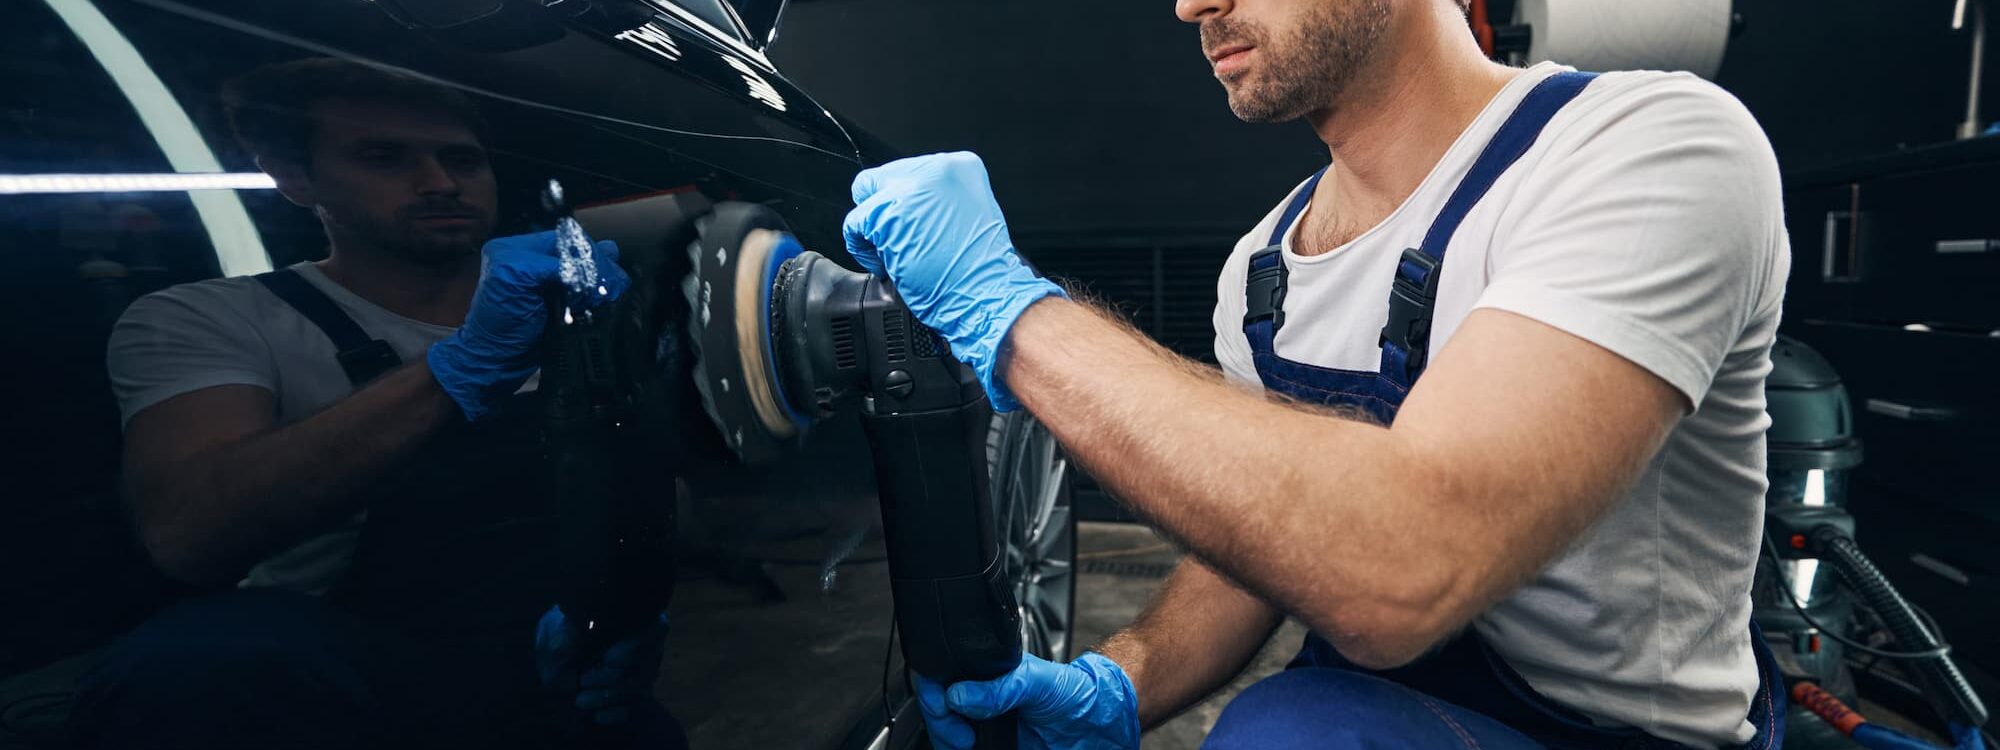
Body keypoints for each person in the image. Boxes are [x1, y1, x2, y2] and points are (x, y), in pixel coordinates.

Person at [843, 0, 1790, 748]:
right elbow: (1270, 541)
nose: (1191, 6)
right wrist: (1124, 681)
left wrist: (1009, 312)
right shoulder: (1262, 268)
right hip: (1379, 715)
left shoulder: (1646, 148)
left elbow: (1403, 568)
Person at [73, 58, 677, 748]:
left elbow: (647, 487)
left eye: (462, 160)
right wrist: (459, 367)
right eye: (384, 157)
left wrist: (628, 606)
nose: (440, 182)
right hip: (336, 687)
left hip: (548, 669)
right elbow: (188, 532)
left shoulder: (577, 318)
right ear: (296, 178)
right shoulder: (215, 319)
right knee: (192, 664)